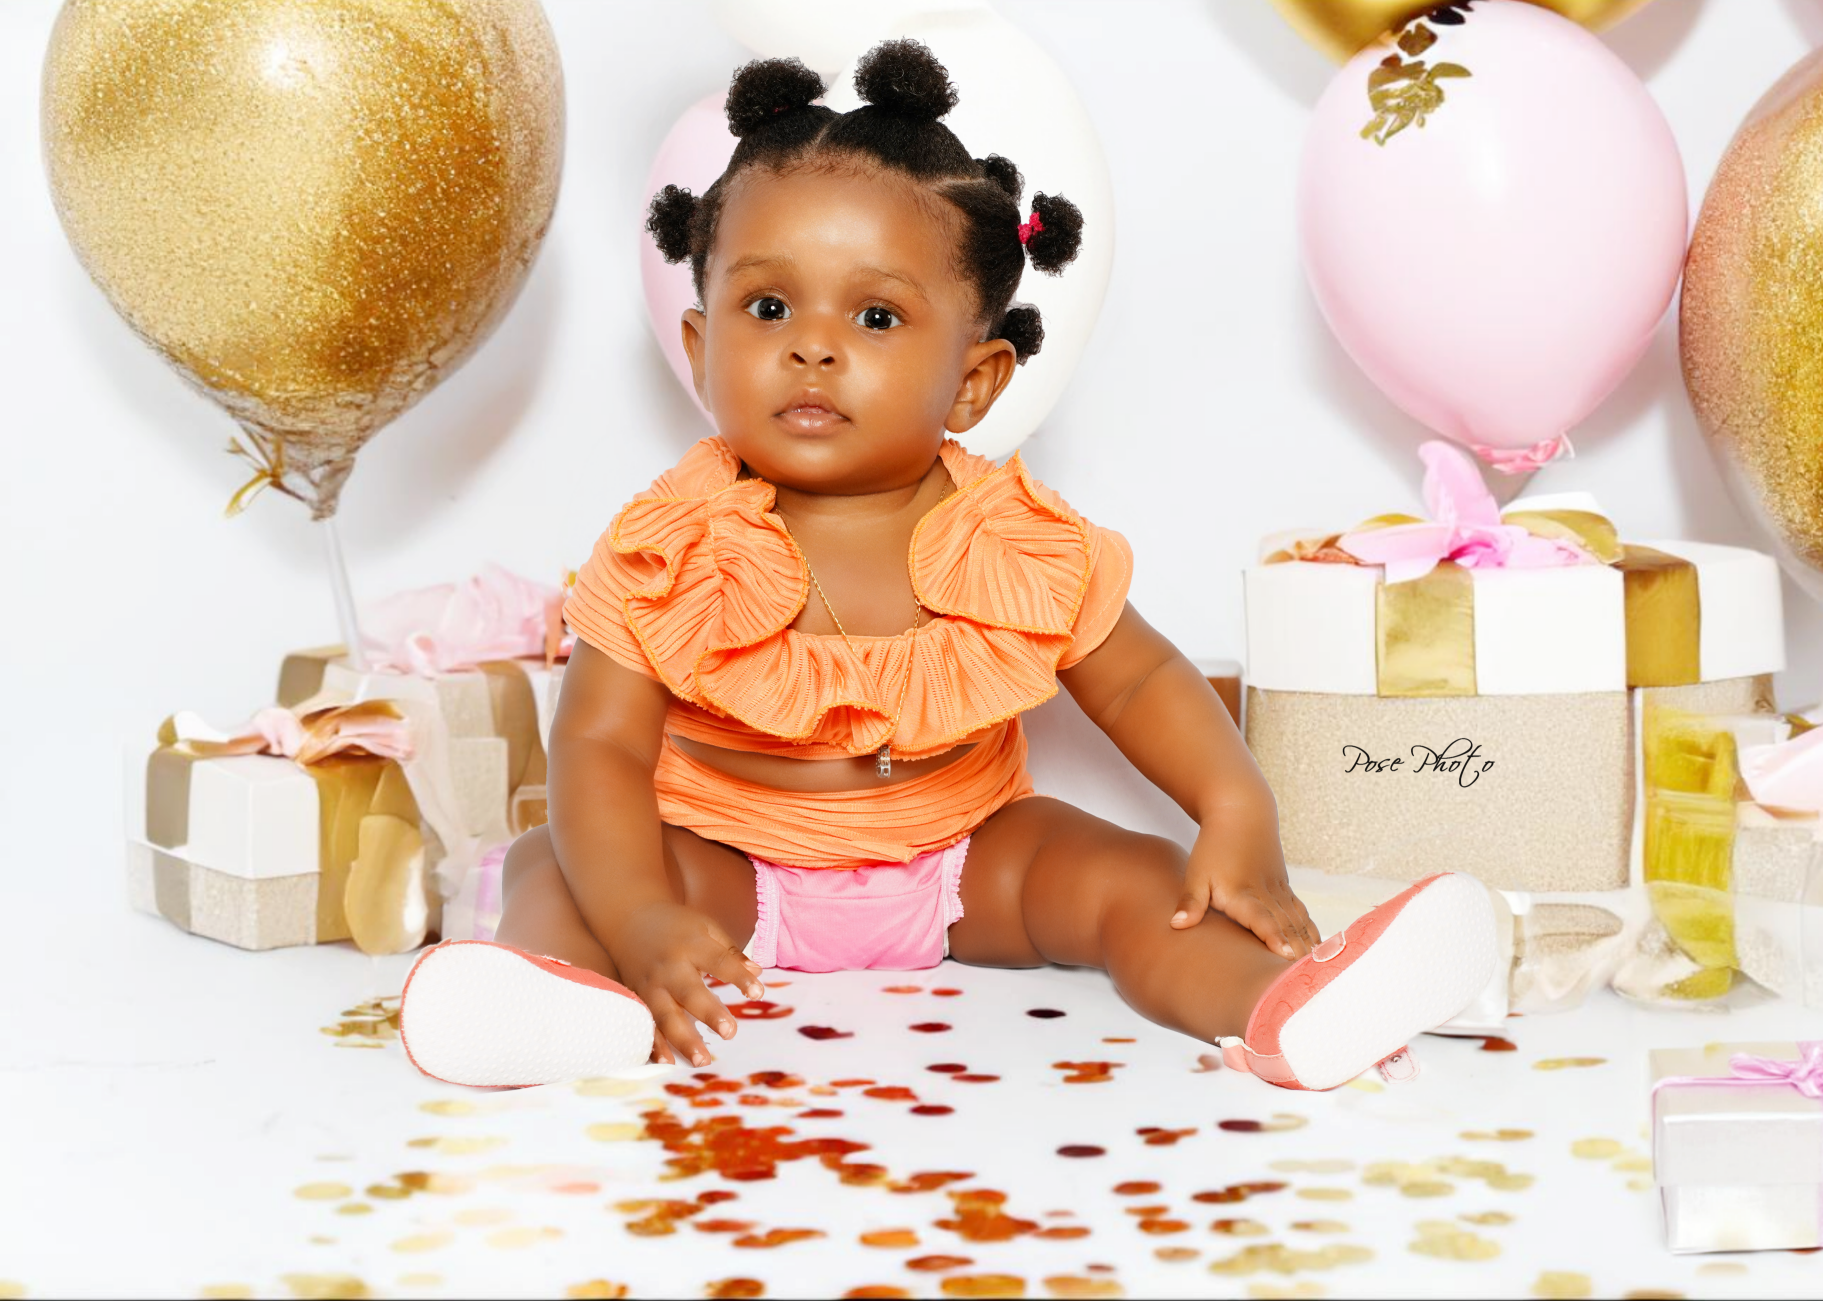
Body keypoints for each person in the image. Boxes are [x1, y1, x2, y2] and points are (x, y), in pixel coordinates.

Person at [398, 40, 1495, 1093]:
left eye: (876, 315)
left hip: (968, 862)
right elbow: (596, 743)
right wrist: (641, 913)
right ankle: (562, 1002)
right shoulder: (668, 541)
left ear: (973, 382)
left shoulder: (1011, 535)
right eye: (767, 307)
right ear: (699, 345)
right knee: (560, 864)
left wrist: (1235, 803)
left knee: (1139, 878)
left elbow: (1142, 682)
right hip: (724, 867)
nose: (812, 345)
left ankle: (1282, 1008)